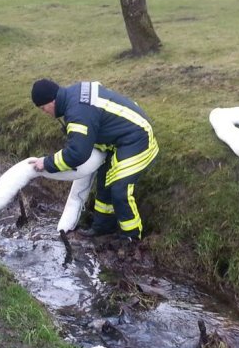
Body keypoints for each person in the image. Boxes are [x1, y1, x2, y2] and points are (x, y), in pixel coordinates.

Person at [30, 79, 158, 240]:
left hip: (137, 138)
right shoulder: (73, 95)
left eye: (43, 108)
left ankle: (131, 238)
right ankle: (103, 227)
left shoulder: (77, 112)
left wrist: (47, 163)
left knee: (120, 190)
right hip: (118, 140)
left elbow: (77, 153)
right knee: (105, 182)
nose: (45, 112)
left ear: (52, 101)